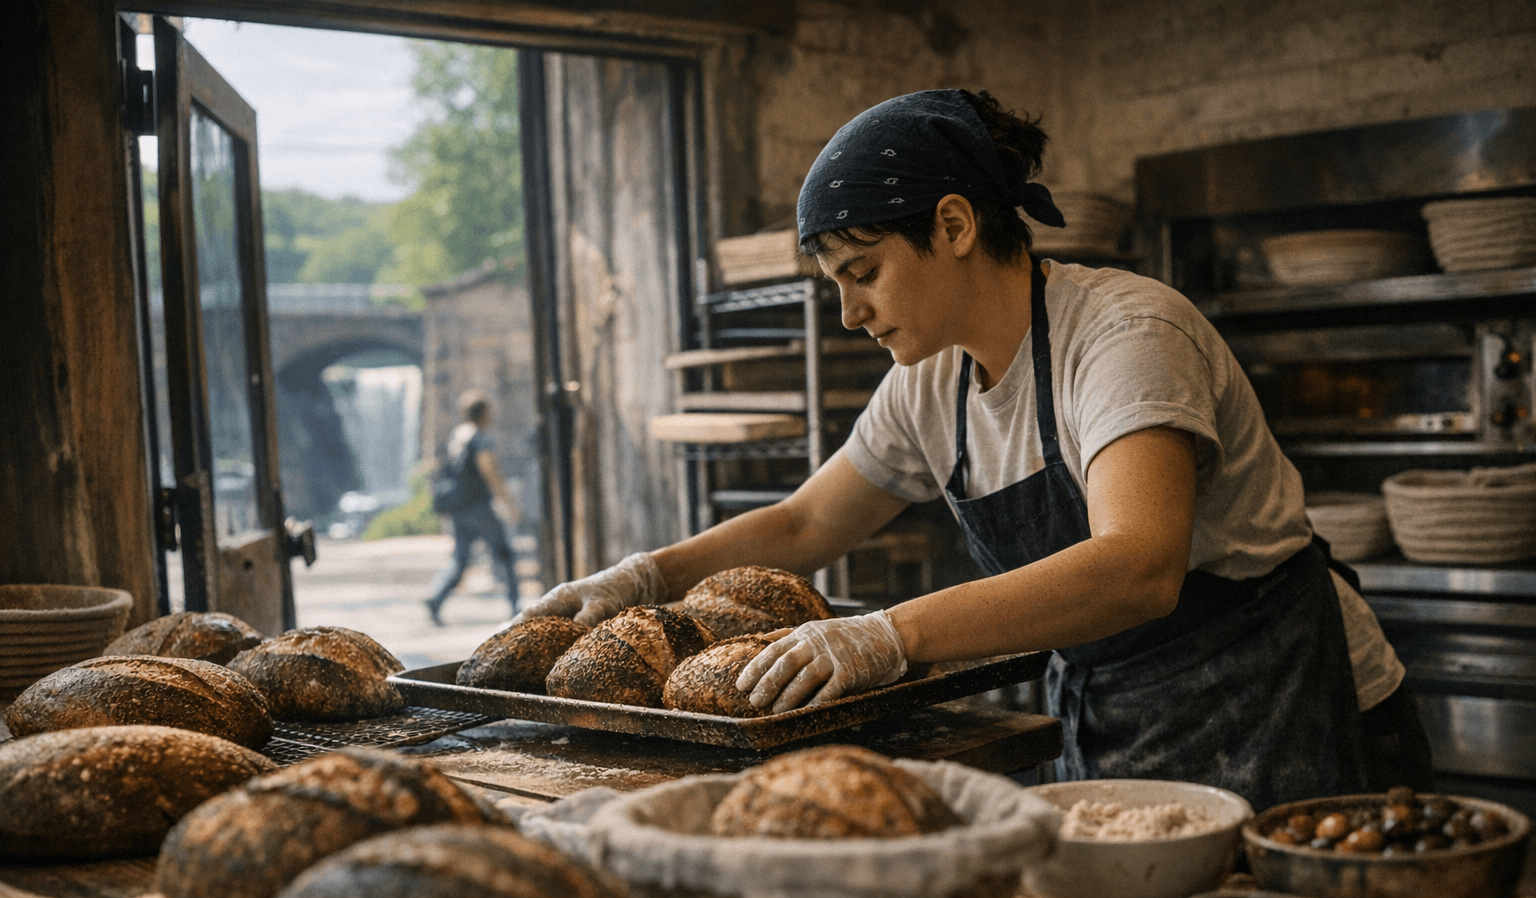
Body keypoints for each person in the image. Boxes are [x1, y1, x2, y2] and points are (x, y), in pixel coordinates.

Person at [518, 89, 1432, 810]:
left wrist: (888, 635)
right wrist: (642, 577)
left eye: (863, 272)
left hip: (1285, 706)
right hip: (1112, 711)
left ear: (953, 226)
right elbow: (805, 524)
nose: (849, 313)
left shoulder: (1123, 334)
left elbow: (1138, 564)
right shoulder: (932, 380)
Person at [425, 390, 521, 625]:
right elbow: (488, 469)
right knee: (504, 554)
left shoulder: (456, 437)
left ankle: (436, 597)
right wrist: (508, 502)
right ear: (484, 413)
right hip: (479, 507)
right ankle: (516, 606)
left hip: (458, 508)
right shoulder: (480, 438)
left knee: (460, 559)